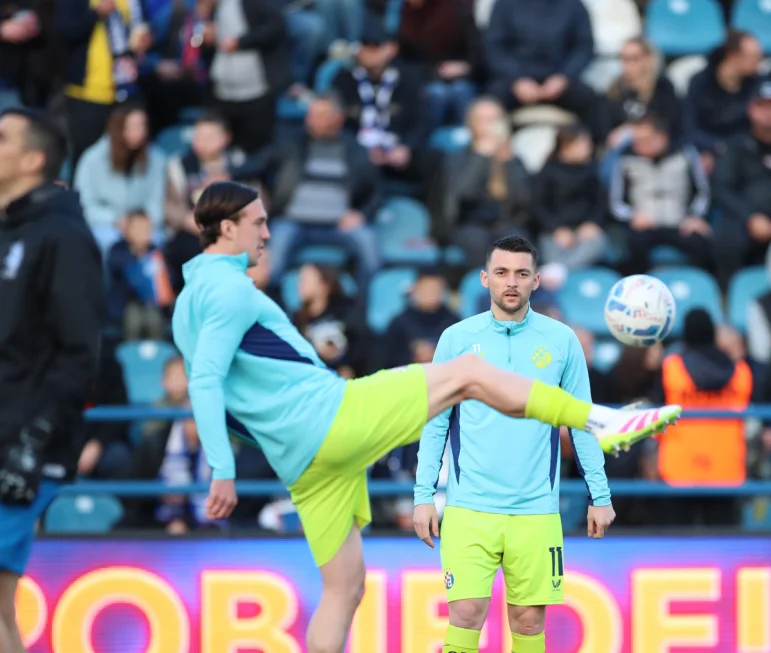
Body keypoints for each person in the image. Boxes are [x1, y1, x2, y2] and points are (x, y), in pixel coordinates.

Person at [171, 181, 680, 653]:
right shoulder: (231, 288)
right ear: (228, 227)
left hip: (302, 461)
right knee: (467, 373)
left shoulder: (188, 302)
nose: (266, 232)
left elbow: (219, 389)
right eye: (258, 222)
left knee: (344, 589)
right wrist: (222, 468)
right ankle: (599, 422)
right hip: (330, 417)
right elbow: (208, 380)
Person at [412, 235, 614, 653]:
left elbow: (582, 421)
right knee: (465, 614)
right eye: (502, 272)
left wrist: (601, 494)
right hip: (470, 508)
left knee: (528, 621)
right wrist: (423, 495)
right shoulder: (456, 338)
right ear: (485, 278)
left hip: (535, 511)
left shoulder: (562, 341)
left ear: (537, 280)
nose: (511, 282)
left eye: (522, 273)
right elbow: (435, 421)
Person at [0, 107, 104, 653]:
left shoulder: (62, 236)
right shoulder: (10, 230)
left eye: (2, 138)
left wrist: (32, 442)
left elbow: (79, 353)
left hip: (17, 448)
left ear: (33, 159)